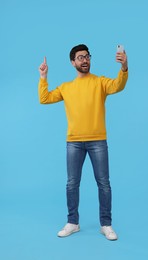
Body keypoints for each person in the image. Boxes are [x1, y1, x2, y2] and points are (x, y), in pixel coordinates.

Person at [38, 44, 128, 241]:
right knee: (72, 184)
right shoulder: (66, 87)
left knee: (104, 183)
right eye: (80, 57)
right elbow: (44, 98)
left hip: (98, 140)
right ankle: (73, 223)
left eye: (87, 56)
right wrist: (43, 77)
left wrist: (124, 67)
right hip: (74, 142)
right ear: (73, 62)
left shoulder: (100, 82)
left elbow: (118, 85)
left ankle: (106, 224)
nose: (85, 60)